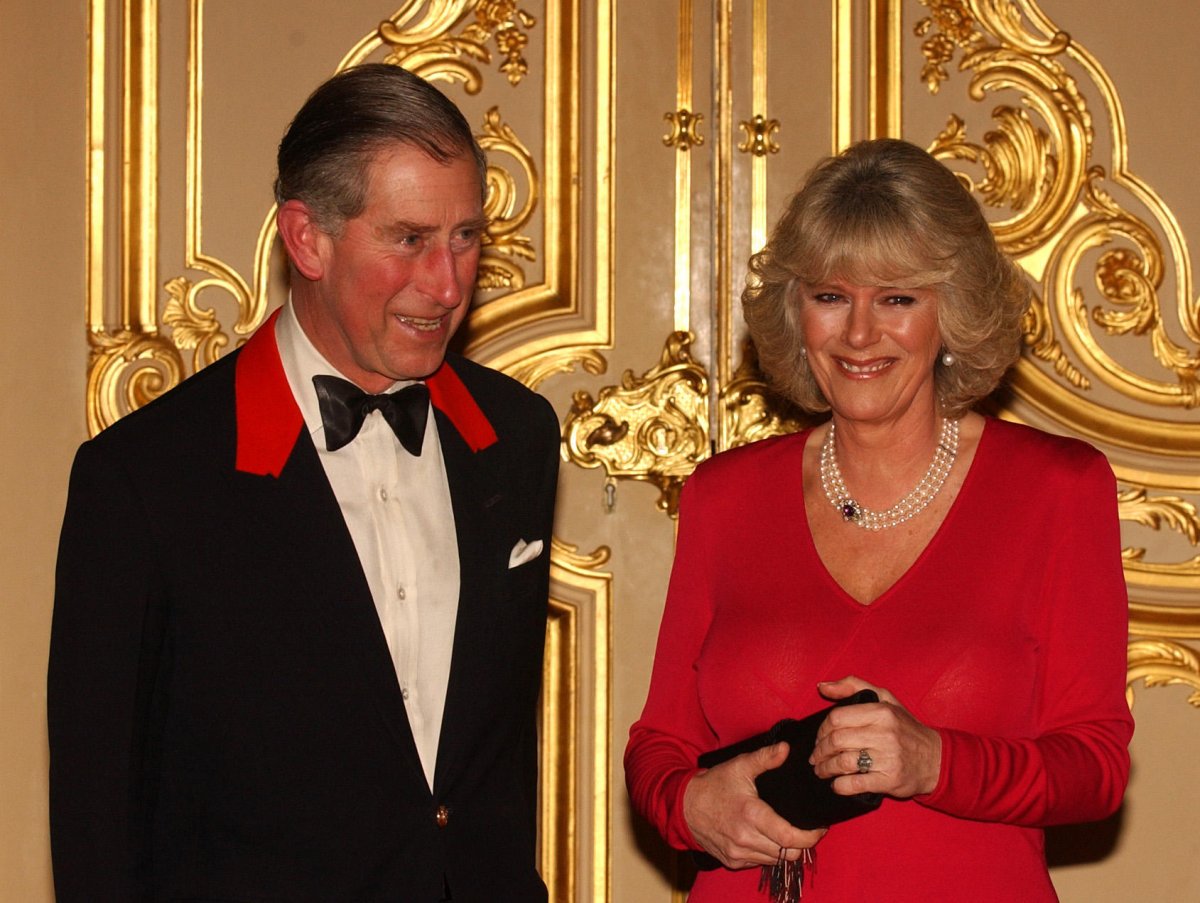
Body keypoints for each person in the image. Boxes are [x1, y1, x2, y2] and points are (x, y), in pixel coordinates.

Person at [48, 63, 558, 901]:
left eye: (466, 236)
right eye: (409, 239)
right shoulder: (144, 478)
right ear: (307, 238)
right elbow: (98, 821)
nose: (447, 282)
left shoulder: (517, 435)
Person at [624, 138, 1132, 902]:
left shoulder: (1056, 489)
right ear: (797, 311)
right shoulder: (723, 497)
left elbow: (1096, 768)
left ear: (950, 310)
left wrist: (937, 761)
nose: (860, 334)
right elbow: (660, 745)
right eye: (832, 296)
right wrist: (689, 806)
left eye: (897, 297)